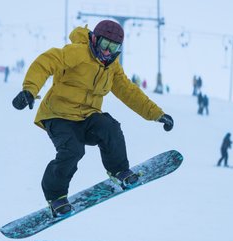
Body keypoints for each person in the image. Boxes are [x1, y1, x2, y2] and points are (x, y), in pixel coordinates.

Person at [11, 20, 174, 217]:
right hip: (58, 115)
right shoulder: (77, 52)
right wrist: (29, 90)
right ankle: (56, 197)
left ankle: (119, 171)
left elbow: (129, 92)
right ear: (94, 39)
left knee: (109, 127)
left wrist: (156, 114)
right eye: (104, 45)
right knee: (73, 150)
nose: (107, 52)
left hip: (86, 116)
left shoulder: (112, 66)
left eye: (113, 48)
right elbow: (47, 62)